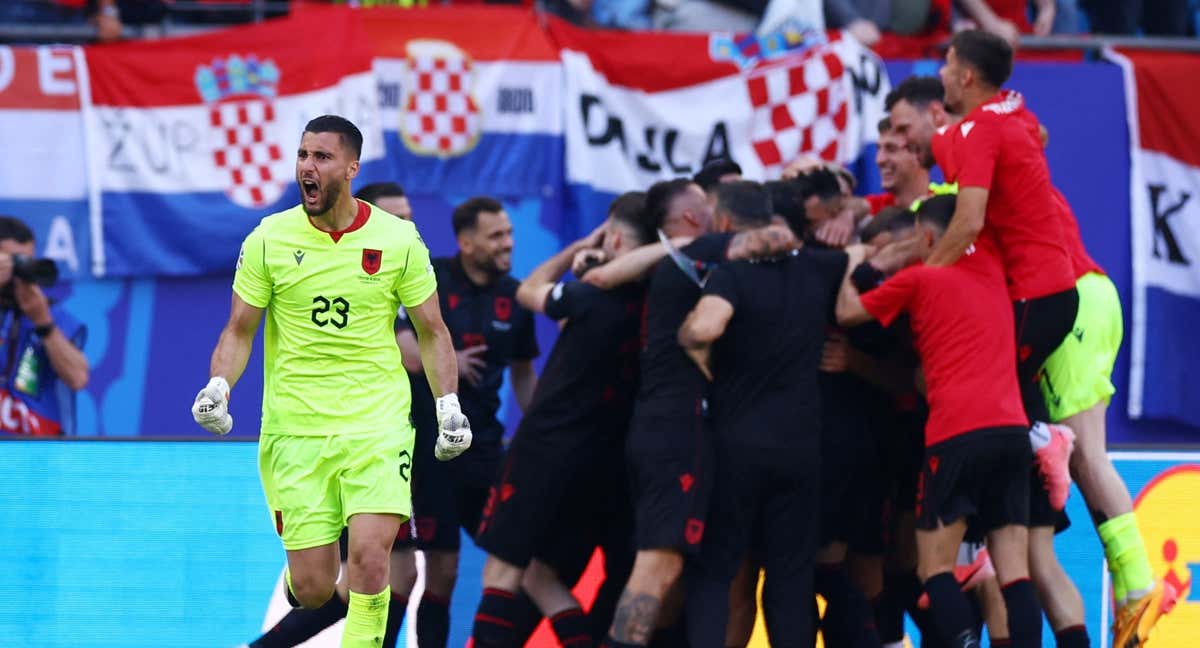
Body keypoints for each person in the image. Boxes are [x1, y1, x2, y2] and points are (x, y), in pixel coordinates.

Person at [191, 115, 472, 648]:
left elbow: (432, 332)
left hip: (377, 426)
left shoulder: (398, 240)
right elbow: (239, 330)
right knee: (316, 588)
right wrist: (218, 386)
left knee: (371, 561)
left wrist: (448, 405)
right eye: (302, 156)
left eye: (320, 157)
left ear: (350, 167)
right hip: (296, 431)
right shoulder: (269, 239)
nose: (307, 167)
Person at [837, 194, 1044, 648]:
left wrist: (854, 259)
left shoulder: (918, 280)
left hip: (956, 437)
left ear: (927, 238)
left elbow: (847, 312)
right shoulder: (992, 264)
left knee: (934, 570)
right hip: (1012, 433)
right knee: (1015, 573)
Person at [240, 182, 424, 648]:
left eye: (410, 216)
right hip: (317, 432)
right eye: (396, 217)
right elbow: (415, 354)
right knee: (321, 585)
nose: (408, 225)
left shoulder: (410, 263)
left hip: (392, 432)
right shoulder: (323, 263)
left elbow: (435, 339)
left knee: (386, 565)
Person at [470, 192, 653, 648]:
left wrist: (577, 249)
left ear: (611, 237)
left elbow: (527, 289)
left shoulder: (588, 293)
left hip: (547, 448)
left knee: (502, 572)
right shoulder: (658, 297)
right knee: (541, 574)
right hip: (606, 459)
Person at [678, 181, 849, 647]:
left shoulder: (731, 275)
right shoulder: (821, 268)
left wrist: (690, 340)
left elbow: (705, 327)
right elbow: (870, 252)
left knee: (717, 573)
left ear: (728, 224)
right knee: (791, 579)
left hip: (736, 449)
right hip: (801, 450)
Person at [395, 196, 540, 648]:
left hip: (488, 454)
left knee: (521, 561)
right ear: (466, 242)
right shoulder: (429, 278)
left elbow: (521, 372)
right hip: (432, 453)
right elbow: (401, 345)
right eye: (497, 236)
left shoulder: (515, 298)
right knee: (442, 573)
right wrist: (448, 360)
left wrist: (540, 431)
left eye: (510, 234)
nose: (508, 244)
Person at [0, 216, 88, 436]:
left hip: (36, 455)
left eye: (25, 261)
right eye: (11, 261)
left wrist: (43, 322)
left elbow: (78, 378)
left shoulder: (50, 314)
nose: (17, 272)